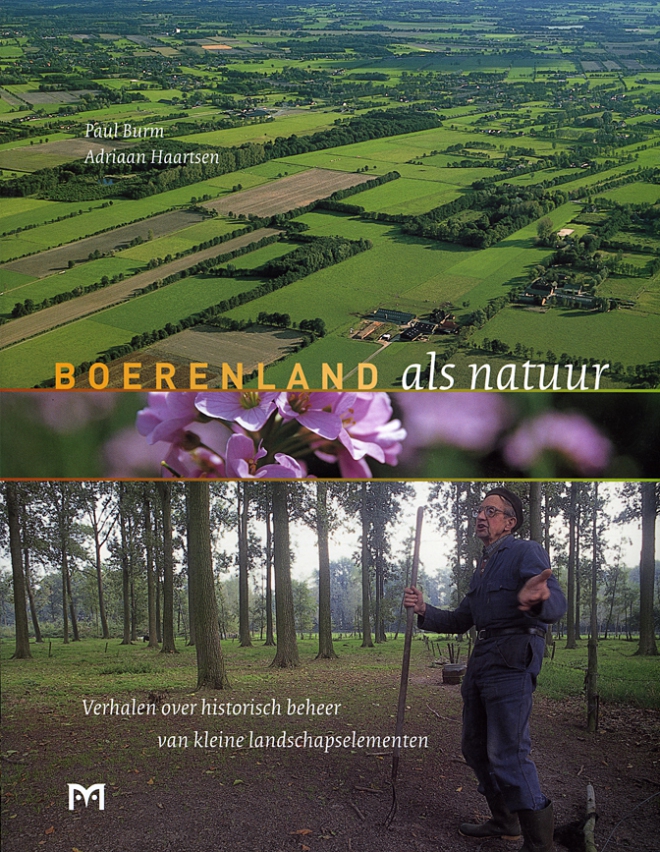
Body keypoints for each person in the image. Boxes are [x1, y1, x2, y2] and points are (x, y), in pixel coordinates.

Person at [404, 487, 566, 852]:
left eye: (491, 511)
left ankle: (540, 845)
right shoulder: (483, 568)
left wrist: (541, 598)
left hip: (512, 659)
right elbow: (463, 618)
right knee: (475, 747)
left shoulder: (524, 551)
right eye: (479, 510)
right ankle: (505, 822)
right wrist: (424, 610)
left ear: (509, 522)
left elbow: (556, 601)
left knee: (508, 752)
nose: (481, 516)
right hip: (482, 661)